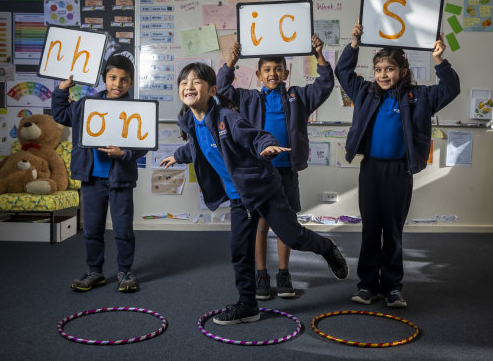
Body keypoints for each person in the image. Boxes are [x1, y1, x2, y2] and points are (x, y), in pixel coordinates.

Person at [160, 62, 348, 325]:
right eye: (184, 82)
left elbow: (255, 136)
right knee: (239, 251)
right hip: (239, 198)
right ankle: (248, 305)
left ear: (212, 89)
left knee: (293, 237)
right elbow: (197, 147)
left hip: (263, 190)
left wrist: (268, 146)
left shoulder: (227, 117)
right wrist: (177, 156)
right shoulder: (192, 121)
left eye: (196, 82)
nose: (189, 86)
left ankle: (326, 248)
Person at [335, 22, 460, 308]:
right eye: (378, 70)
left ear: (403, 72)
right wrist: (354, 43)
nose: (383, 75)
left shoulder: (420, 97)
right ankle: (368, 286)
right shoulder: (365, 93)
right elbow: (342, 72)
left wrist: (439, 59)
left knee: (392, 230)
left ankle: (391, 286)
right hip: (371, 170)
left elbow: (451, 88)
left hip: (399, 172)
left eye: (389, 69)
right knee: (370, 229)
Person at [217, 35, 334, 300]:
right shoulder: (248, 99)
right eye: (267, 70)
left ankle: (283, 273)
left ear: (286, 72)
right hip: (260, 172)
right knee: (260, 224)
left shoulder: (298, 97)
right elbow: (222, 91)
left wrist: (319, 56)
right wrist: (231, 62)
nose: (273, 74)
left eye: (278, 69)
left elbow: (325, 85)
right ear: (258, 75)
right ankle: (261, 274)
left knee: (287, 223)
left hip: (286, 170)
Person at [51, 55, 146, 293]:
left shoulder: (136, 109)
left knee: (123, 230)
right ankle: (95, 272)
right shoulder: (85, 104)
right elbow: (62, 115)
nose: (118, 84)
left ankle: (125, 272)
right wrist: (62, 90)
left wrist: (123, 153)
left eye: (124, 80)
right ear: (104, 78)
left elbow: (142, 145)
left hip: (120, 179)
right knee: (92, 229)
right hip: (92, 178)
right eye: (113, 78)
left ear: (131, 82)